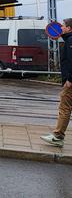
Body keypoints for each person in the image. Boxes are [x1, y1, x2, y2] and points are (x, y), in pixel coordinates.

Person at [41, 18, 72, 147]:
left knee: (64, 108)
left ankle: (58, 136)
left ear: (69, 28)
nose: (61, 27)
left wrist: (70, 79)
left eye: (63, 26)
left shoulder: (70, 41)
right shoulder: (68, 40)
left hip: (70, 82)